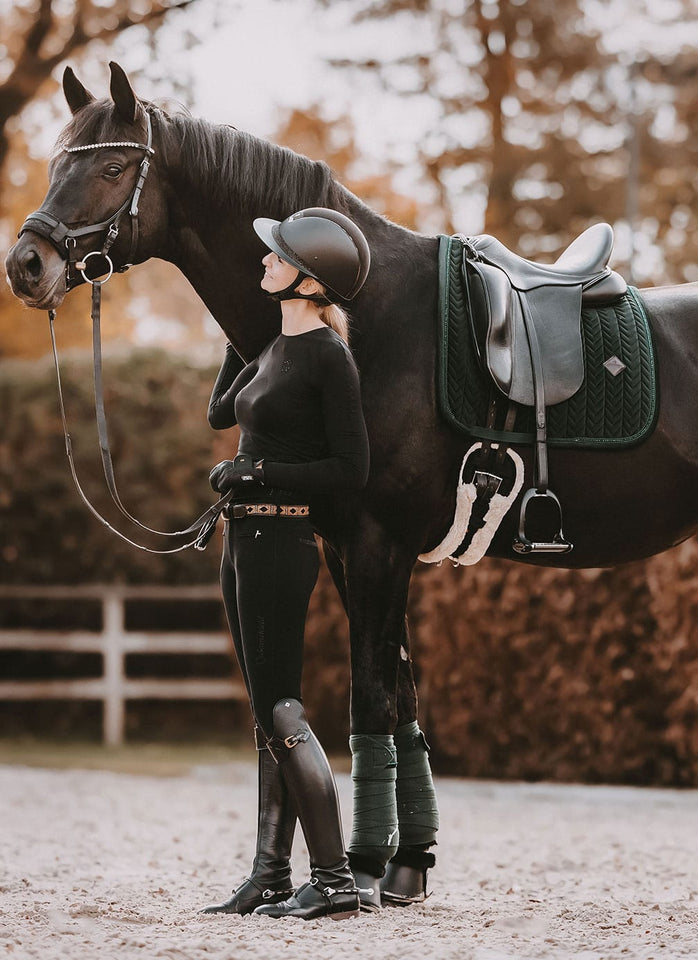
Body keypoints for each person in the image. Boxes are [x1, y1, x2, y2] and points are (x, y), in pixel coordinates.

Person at [200, 207, 370, 921]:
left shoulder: (329, 356)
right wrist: (242, 338)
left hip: (281, 541)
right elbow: (220, 414)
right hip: (242, 541)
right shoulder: (269, 349)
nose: (262, 259)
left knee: (283, 709)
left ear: (308, 279)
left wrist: (261, 469)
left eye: (276, 256)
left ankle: (332, 880)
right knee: (263, 714)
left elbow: (351, 469)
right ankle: (271, 874)